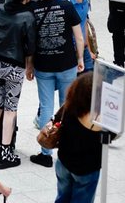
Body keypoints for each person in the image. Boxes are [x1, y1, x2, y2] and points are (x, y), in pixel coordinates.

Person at [29, 0, 85, 169]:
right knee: (66, 107)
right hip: (67, 64)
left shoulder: (33, 10)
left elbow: (31, 42)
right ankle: (66, 149)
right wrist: (80, 58)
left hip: (43, 66)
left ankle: (45, 152)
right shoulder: (66, 7)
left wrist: (29, 65)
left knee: (46, 107)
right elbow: (78, 37)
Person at [0, 0, 36, 168]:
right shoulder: (27, 17)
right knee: (10, 108)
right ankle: (6, 152)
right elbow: (30, 46)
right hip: (14, 66)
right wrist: (30, 67)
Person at [54, 73, 105, 203]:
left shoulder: (69, 107)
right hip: (86, 169)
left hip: (64, 162)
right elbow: (113, 135)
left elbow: (56, 120)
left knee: (62, 197)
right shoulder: (98, 120)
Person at [60, 0, 94, 73]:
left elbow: (85, 24)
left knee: (89, 85)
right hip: (70, 53)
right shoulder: (63, 1)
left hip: (85, 51)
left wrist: (90, 49)